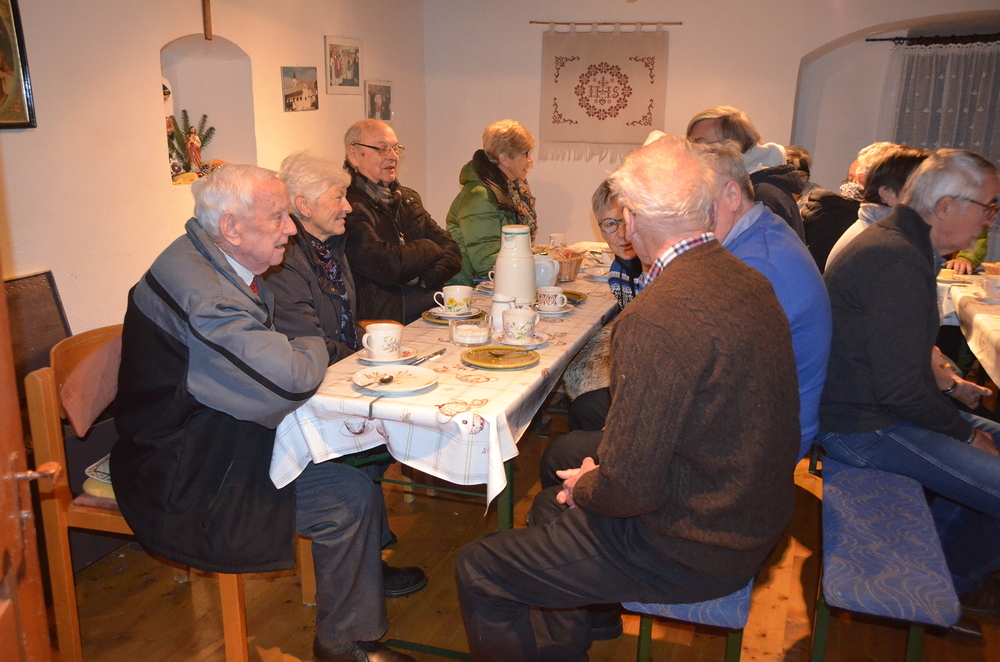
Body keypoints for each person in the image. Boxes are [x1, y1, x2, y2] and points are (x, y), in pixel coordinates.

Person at [456, 135, 800, 662]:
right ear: (707, 210)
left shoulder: (655, 316)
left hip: (698, 545)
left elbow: (630, 489)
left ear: (632, 221)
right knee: (550, 504)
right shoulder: (747, 279)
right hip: (749, 515)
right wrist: (591, 483)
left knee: (480, 568)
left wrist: (589, 485)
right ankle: (577, 638)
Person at [111, 164, 416, 662]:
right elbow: (285, 382)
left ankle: (350, 620)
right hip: (184, 473)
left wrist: (296, 349)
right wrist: (312, 342)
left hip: (213, 438)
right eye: (278, 218)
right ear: (231, 227)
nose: (291, 229)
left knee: (349, 470)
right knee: (345, 497)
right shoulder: (205, 294)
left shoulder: (205, 257)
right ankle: (343, 646)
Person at [820, 149, 1000, 613]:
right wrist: (965, 434)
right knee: (985, 450)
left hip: (881, 413)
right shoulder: (894, 258)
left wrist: (959, 407)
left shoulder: (903, 244)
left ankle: (946, 557)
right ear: (945, 207)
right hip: (861, 428)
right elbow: (899, 391)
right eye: (988, 207)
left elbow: (904, 370)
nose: (990, 221)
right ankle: (953, 579)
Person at [264, 150, 428, 600]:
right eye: (338, 197)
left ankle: (370, 546)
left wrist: (372, 345)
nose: (349, 206)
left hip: (337, 370)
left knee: (397, 415)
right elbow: (306, 343)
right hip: (304, 392)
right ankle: (365, 558)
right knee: (383, 429)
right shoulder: (284, 263)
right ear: (303, 204)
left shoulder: (329, 248)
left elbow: (343, 322)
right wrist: (367, 351)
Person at [342, 119, 461, 323]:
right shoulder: (347, 206)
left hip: (432, 306)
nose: (393, 156)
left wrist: (422, 279)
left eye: (395, 148)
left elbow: (452, 251)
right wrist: (428, 247)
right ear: (354, 155)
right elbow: (389, 265)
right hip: (387, 321)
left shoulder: (408, 198)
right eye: (382, 149)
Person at [686, 105, 805, 241]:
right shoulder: (759, 185)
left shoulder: (760, 197)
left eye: (699, 144)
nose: (691, 153)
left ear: (732, 145)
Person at [447, 120, 537, 285]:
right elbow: (485, 263)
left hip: (493, 284)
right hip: (471, 289)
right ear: (505, 159)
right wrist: (536, 264)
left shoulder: (511, 190)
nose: (530, 159)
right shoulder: (480, 197)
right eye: (525, 153)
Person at [825, 146, 928, 269]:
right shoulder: (885, 244)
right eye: (917, 189)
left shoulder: (881, 229)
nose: (929, 197)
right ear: (887, 194)